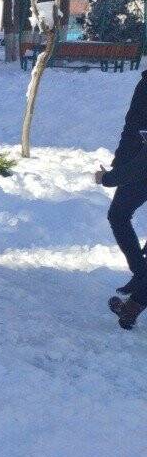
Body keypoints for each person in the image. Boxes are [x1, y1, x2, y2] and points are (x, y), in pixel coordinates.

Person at [98, 69, 147, 329]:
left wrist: (110, 178)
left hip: (141, 168)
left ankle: (133, 305)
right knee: (118, 215)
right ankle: (141, 275)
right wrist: (119, 163)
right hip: (137, 167)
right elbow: (132, 126)